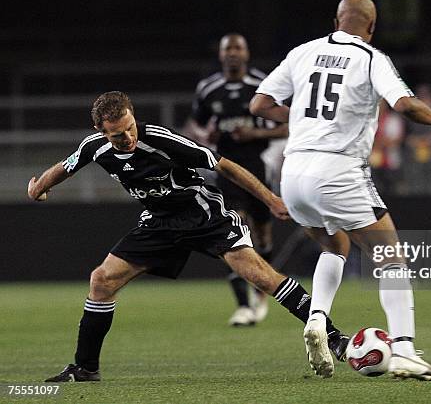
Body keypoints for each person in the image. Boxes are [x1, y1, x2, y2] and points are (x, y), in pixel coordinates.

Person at [28, 91, 348, 382]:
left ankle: (333, 336)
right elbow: (65, 166)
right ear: (101, 132)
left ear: (133, 116)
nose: (127, 137)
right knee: (101, 281)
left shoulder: (161, 140)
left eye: (130, 127)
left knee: (261, 277)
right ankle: (85, 368)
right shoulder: (94, 148)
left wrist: (271, 199)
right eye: (117, 134)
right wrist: (39, 187)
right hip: (159, 223)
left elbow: (225, 166)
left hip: (202, 214)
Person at [251, 0, 431, 380]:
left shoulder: (303, 52)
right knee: (390, 256)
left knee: (336, 245)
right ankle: (406, 352)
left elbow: (260, 104)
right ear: (372, 27)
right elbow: (406, 105)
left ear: (335, 21)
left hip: (293, 173)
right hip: (338, 169)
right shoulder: (370, 57)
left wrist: (300, 119)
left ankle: (317, 318)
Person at [184, 34, 288, 327]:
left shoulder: (261, 84)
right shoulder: (209, 89)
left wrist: (256, 134)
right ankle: (243, 305)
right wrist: (204, 137)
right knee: (234, 229)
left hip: (258, 167)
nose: (233, 53)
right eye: (227, 48)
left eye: (238, 47)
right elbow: (195, 125)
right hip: (226, 170)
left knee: (263, 235)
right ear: (220, 55)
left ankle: (261, 295)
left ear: (246, 53)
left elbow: (289, 127)